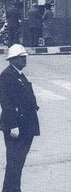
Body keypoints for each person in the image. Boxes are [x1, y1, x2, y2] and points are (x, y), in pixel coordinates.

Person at [0, 44, 40, 192]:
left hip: (26, 125)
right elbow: (6, 103)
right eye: (22, 58)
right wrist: (13, 125)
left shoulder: (18, 74)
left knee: (18, 162)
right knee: (14, 162)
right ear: (13, 59)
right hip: (16, 127)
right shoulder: (6, 76)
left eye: (25, 57)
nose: (25, 60)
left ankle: (11, 189)